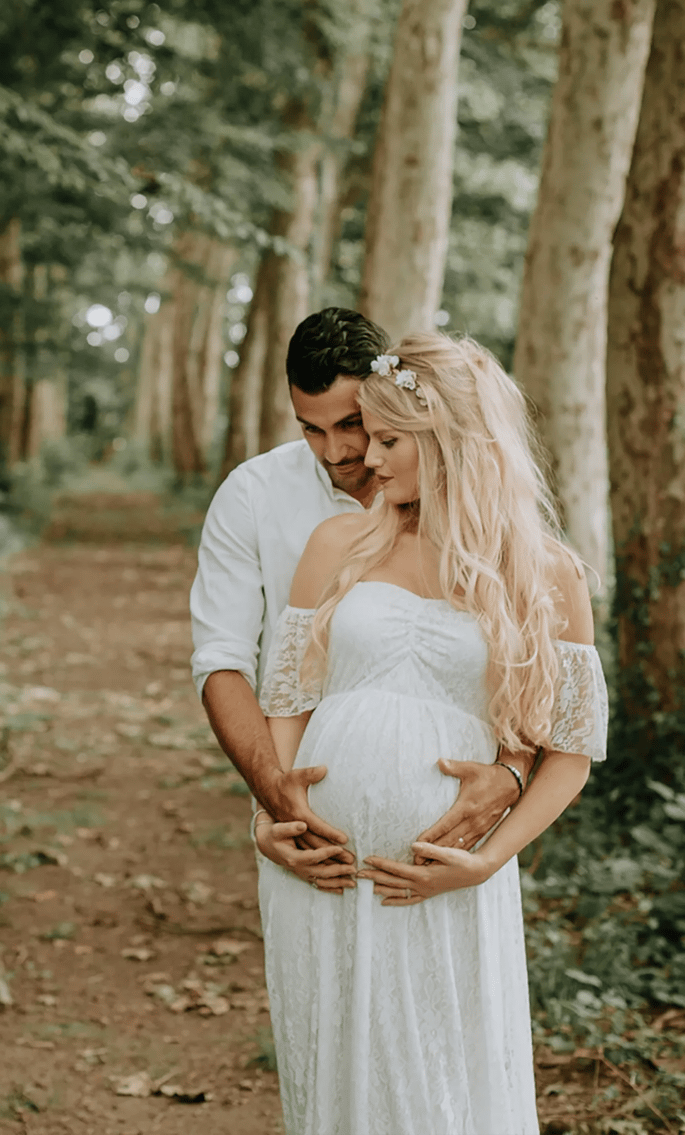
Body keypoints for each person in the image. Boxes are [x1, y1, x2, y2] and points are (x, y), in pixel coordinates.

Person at [253, 332, 608, 1135]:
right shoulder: (337, 544)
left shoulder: (546, 572)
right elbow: (289, 702)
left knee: (438, 1086)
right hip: (326, 870)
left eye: (387, 440)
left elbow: (571, 752)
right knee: (334, 1084)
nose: (366, 461)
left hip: (442, 881)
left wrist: (485, 861)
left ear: (450, 439)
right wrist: (270, 817)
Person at [191, 309, 531, 887]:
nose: (337, 451)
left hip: (449, 846)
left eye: (354, 423)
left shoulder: (472, 517)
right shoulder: (252, 495)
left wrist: (514, 773)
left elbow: (526, 662)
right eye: (310, 428)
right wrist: (271, 798)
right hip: (309, 831)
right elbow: (222, 662)